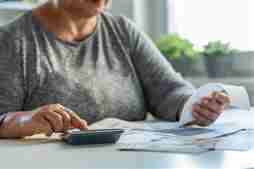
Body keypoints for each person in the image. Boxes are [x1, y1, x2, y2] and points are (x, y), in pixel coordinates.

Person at [0, 0, 229, 138]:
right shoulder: (12, 40)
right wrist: (24, 121)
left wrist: (196, 106)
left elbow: (169, 91)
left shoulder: (122, 30)